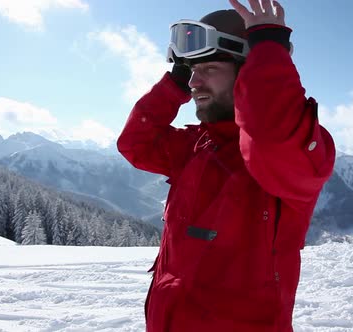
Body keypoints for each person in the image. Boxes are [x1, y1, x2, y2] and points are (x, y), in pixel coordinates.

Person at [117, 0, 335, 330]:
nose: (193, 83)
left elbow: (269, 136)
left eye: (209, 69)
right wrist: (175, 79)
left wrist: (268, 49)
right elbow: (135, 143)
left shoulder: (290, 152)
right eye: (192, 71)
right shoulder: (197, 145)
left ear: (247, 72)